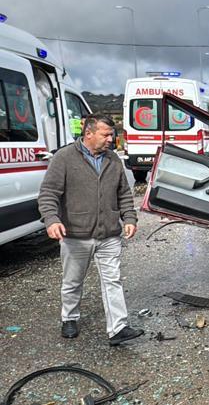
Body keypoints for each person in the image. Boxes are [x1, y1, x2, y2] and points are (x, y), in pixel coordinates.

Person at [38, 113, 143, 346]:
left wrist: (130, 218)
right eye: (106, 135)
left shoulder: (113, 160)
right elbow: (48, 194)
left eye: (112, 135)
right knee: (73, 281)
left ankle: (118, 328)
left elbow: (124, 193)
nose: (110, 140)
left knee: (112, 280)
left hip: (109, 234)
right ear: (88, 133)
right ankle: (69, 318)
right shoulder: (64, 158)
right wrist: (52, 219)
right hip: (76, 235)